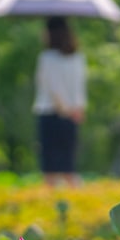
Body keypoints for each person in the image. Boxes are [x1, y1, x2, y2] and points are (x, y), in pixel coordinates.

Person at [33, 16, 86, 186]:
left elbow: (54, 88)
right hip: (72, 114)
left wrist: (65, 109)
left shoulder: (47, 58)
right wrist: (77, 109)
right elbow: (79, 86)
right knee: (68, 164)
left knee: (50, 167)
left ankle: (51, 202)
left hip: (50, 112)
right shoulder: (77, 57)